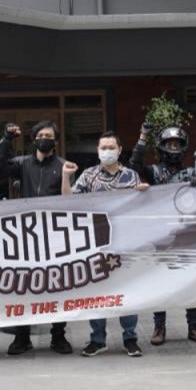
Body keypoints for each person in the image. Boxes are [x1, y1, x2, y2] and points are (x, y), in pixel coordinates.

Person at [62, 131, 149, 358]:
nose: (107, 151)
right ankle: (97, 339)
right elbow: (68, 201)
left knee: (127, 291)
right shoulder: (88, 175)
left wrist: (144, 194)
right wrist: (65, 177)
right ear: (97, 150)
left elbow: (143, 206)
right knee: (96, 291)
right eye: (103, 147)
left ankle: (130, 339)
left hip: (124, 243)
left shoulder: (131, 176)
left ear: (119, 150)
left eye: (111, 147)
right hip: (96, 243)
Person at [0, 120, 73, 355]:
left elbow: (70, 199)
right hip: (26, 234)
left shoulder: (64, 166)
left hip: (54, 234)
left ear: (55, 141)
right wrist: (7, 139)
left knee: (58, 285)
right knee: (24, 285)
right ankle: (22, 337)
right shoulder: (22, 163)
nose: (44, 139)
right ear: (34, 139)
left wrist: (67, 176)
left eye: (49, 136)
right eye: (40, 135)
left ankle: (58, 336)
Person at [130, 121, 196, 347]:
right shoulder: (153, 172)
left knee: (190, 282)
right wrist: (143, 137)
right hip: (161, 235)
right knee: (160, 282)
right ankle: (159, 326)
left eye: (177, 144)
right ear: (161, 146)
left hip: (186, 235)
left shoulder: (191, 173)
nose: (173, 148)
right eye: (169, 144)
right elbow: (135, 165)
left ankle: (193, 326)